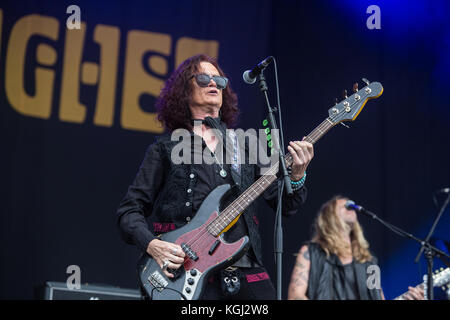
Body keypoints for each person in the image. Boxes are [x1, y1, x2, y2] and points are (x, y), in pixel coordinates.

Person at [116, 54, 314, 300]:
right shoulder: (165, 148)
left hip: (245, 271)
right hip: (184, 273)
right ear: (183, 91)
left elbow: (286, 205)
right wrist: (153, 245)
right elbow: (129, 211)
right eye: (203, 78)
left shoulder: (246, 144)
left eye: (219, 80)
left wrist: (297, 173)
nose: (213, 84)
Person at [287, 195, 424, 300]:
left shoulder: (369, 261)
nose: (351, 207)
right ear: (329, 217)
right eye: (346, 206)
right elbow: (295, 296)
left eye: (352, 205)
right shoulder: (311, 252)